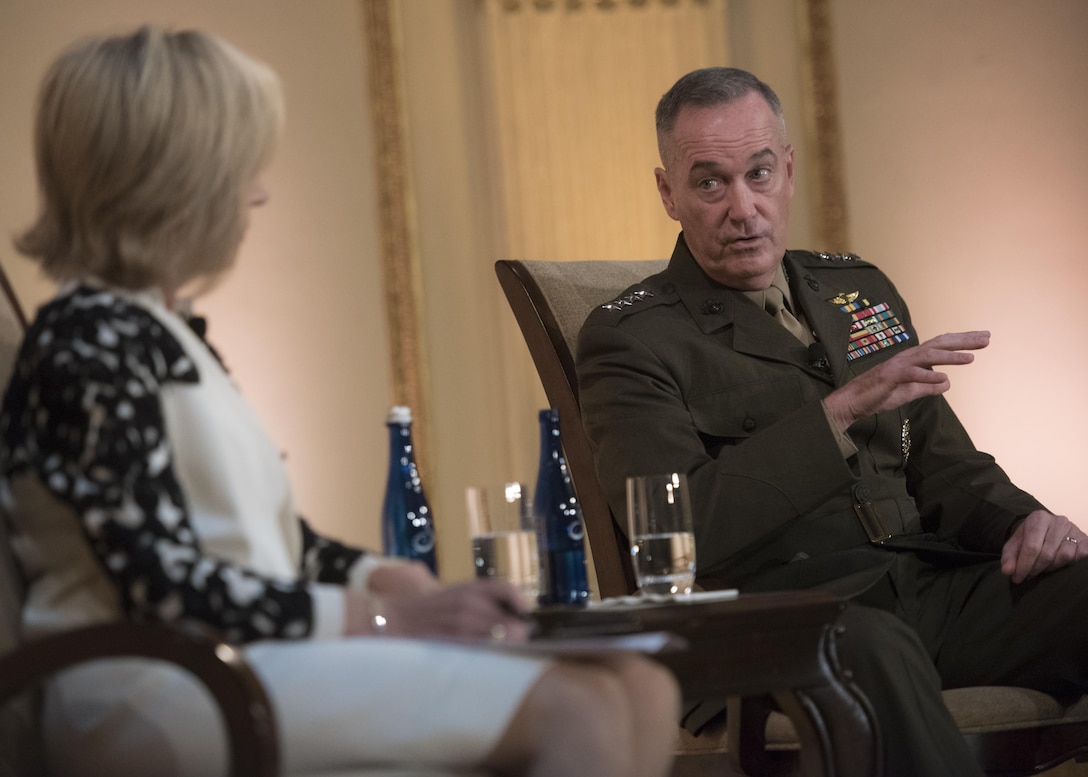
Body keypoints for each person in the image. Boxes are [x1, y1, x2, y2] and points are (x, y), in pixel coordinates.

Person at [0, 26, 681, 777]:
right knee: (576, 706)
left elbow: (276, 542)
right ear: (169, 180)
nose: (256, 191)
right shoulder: (84, 340)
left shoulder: (159, 330)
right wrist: (383, 618)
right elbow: (159, 581)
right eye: (238, 167)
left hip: (235, 658)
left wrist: (382, 579)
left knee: (642, 686)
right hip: (158, 684)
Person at [575, 66, 1088, 776]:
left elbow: (941, 461)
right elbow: (680, 529)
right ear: (669, 192)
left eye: (759, 173)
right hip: (776, 618)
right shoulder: (630, 339)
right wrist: (840, 410)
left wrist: (1025, 523)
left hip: (924, 588)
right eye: (710, 182)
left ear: (787, 170)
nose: (743, 207)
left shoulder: (856, 288)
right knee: (873, 648)